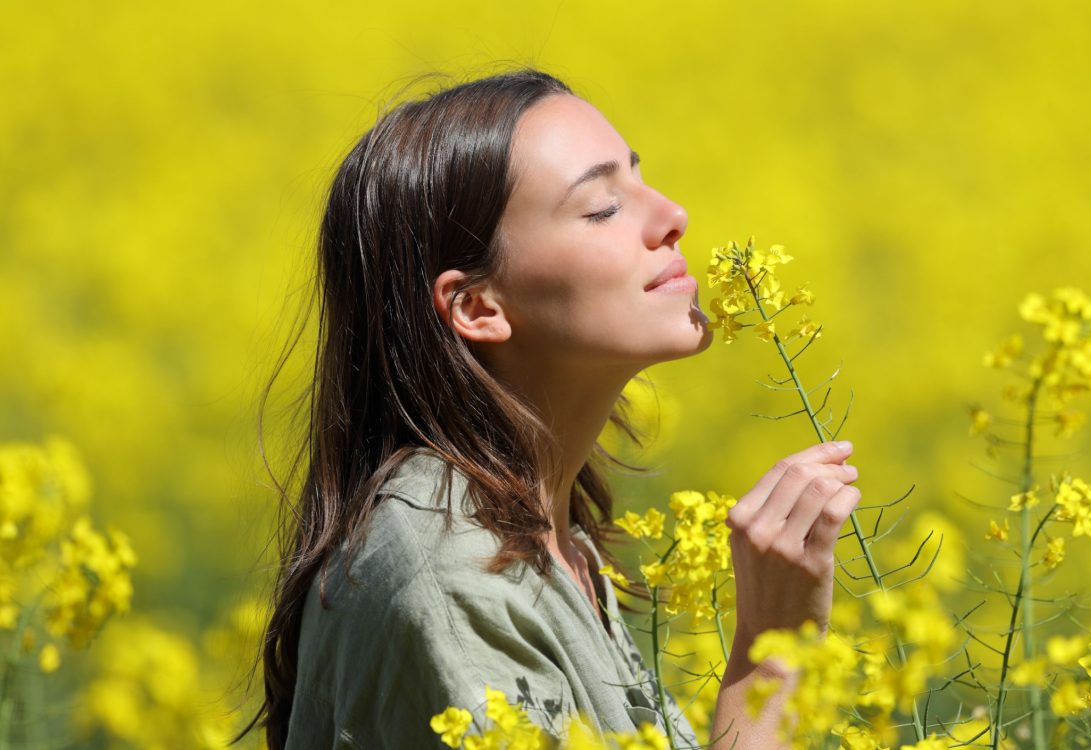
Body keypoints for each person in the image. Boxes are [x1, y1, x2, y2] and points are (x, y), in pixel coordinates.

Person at [242, 68, 862, 750]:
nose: (672, 216)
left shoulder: (544, 539)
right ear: (477, 307)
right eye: (602, 208)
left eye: (639, 177)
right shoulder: (449, 578)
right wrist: (772, 661)